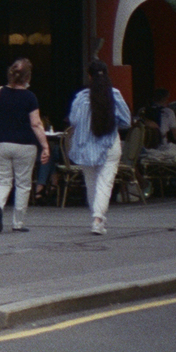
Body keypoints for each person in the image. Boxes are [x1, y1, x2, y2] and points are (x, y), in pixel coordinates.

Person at [0, 59, 49, 234]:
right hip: (25, 144)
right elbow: (35, 124)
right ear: (27, 77)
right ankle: (18, 222)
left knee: (2, 181)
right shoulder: (30, 97)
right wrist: (45, 145)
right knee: (23, 183)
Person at [66, 60, 132, 236]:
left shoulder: (81, 98)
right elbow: (126, 120)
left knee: (91, 183)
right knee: (105, 183)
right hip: (109, 144)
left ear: (89, 76)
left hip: (85, 146)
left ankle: (96, 217)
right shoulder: (115, 94)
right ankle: (98, 219)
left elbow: (73, 120)